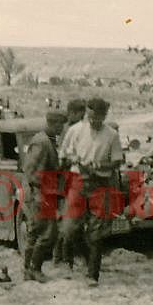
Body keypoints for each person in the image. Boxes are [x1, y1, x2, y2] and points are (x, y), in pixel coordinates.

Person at [59, 97, 124, 286]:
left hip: (100, 183)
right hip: (78, 181)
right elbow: (64, 153)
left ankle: (92, 274)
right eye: (92, 117)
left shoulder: (111, 135)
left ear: (104, 116)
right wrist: (76, 160)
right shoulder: (75, 130)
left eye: (99, 118)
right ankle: (73, 261)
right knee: (69, 228)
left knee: (97, 233)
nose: (95, 122)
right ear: (88, 114)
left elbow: (117, 160)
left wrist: (99, 165)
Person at [20, 111, 68, 282]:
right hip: (40, 194)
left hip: (43, 193)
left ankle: (29, 270)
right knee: (48, 233)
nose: (62, 129)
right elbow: (31, 171)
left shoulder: (47, 140)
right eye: (60, 125)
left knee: (36, 232)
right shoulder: (42, 142)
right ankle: (34, 269)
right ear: (53, 124)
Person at [53, 98, 88, 268]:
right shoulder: (69, 130)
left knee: (73, 219)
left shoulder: (72, 129)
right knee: (68, 220)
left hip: (72, 179)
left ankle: (65, 256)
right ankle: (62, 256)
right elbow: (62, 157)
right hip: (68, 179)